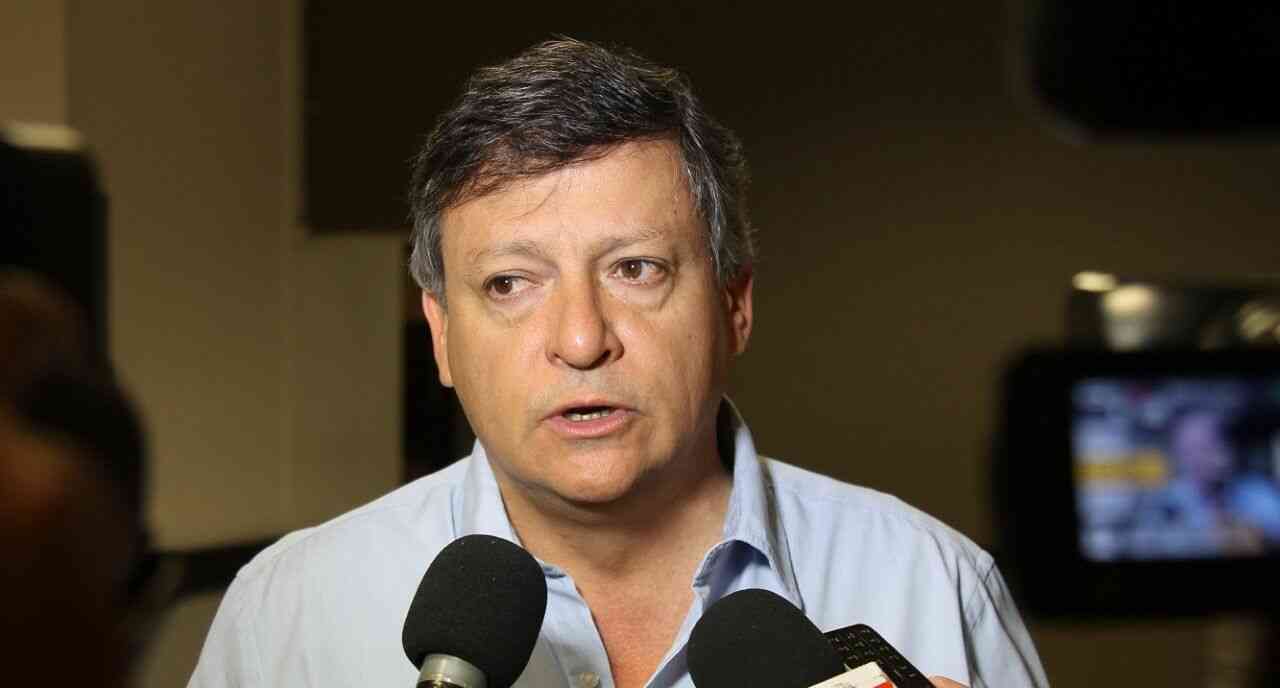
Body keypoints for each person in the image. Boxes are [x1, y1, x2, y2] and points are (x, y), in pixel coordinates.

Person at [189, 39, 1048, 688]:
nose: (580, 340)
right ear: (442, 336)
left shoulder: (938, 585)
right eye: (510, 284)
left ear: (734, 306)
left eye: (635, 269)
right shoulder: (286, 615)